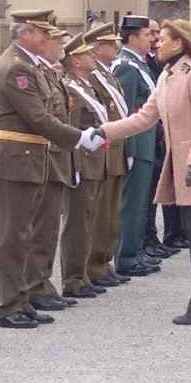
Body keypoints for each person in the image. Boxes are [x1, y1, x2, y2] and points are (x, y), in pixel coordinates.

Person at [101, 19, 191, 326]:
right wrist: (104, 131)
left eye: (163, 38)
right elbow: (144, 118)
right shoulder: (167, 76)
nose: (157, 42)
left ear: (179, 43)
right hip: (182, 162)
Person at [0, 11, 91, 330]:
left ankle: (21, 298)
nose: (48, 40)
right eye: (43, 34)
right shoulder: (17, 67)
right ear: (27, 34)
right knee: (12, 236)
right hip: (18, 157)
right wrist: (79, 138)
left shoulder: (27, 64)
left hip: (31, 156)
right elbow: (37, 117)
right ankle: (7, 305)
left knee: (24, 233)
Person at [58, 31, 112, 300]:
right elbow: (70, 131)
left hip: (96, 161)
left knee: (90, 220)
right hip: (82, 163)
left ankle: (84, 274)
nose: (93, 56)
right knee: (77, 222)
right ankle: (73, 278)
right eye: (87, 54)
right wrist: (75, 168)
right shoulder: (70, 88)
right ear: (75, 61)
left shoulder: (87, 86)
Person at [84, 23, 139, 285]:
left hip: (116, 148)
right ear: (96, 48)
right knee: (100, 211)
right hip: (103, 151)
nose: (116, 46)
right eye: (109, 43)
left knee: (112, 212)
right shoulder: (93, 76)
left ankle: (105, 263)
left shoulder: (108, 74)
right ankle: (94, 265)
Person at [112, 16, 163, 276]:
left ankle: (135, 251)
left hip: (147, 141)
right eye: (146, 35)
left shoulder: (138, 64)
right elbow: (125, 113)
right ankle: (126, 257)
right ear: (132, 37)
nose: (152, 39)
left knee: (141, 201)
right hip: (137, 144)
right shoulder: (126, 67)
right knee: (131, 202)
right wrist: (129, 150)